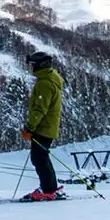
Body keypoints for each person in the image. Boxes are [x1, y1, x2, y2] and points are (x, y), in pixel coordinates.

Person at [22, 51, 65, 201]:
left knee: (39, 158)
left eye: (32, 65)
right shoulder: (50, 79)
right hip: (48, 126)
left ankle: (48, 189)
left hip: (43, 127)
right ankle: (51, 187)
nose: (31, 68)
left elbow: (40, 108)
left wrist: (30, 127)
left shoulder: (45, 83)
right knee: (42, 157)